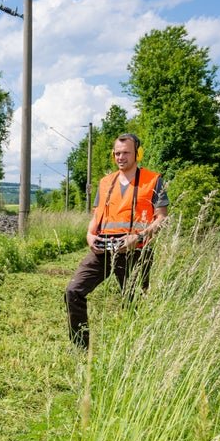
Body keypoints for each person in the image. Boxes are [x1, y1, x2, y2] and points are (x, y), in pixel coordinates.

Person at [64, 133, 169, 349]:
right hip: (103, 249)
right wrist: (90, 235)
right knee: (73, 292)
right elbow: (96, 216)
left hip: (136, 251)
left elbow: (162, 218)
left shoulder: (154, 180)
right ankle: (80, 349)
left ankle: (135, 352)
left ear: (137, 154)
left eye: (126, 153)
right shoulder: (105, 183)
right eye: (117, 153)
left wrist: (138, 237)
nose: (121, 157)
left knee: (134, 305)